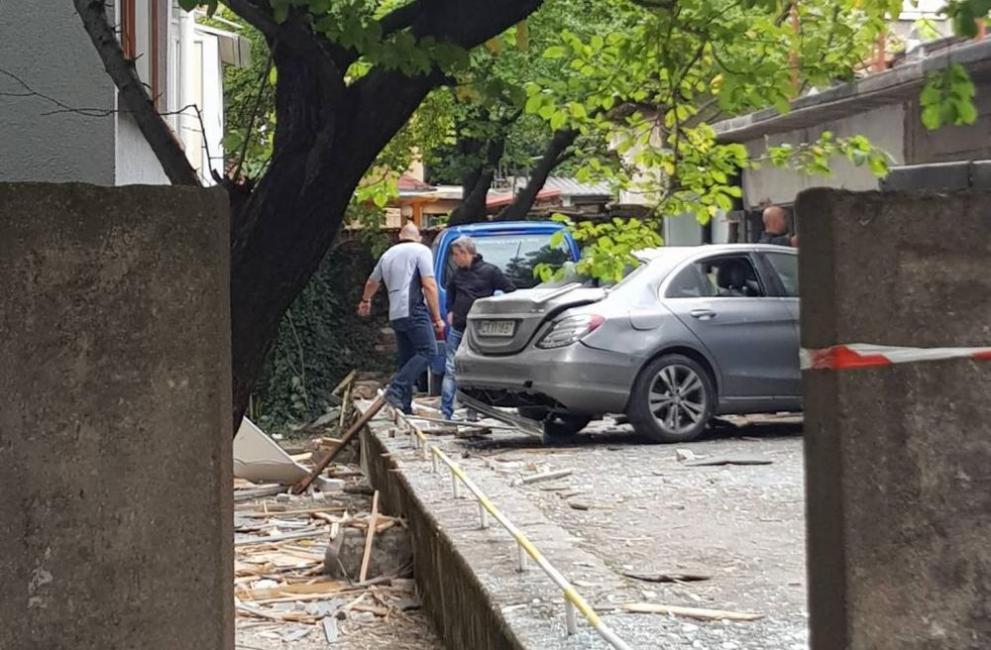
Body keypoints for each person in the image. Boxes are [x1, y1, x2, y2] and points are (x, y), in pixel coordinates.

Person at [357, 222, 445, 414]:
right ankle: (395, 389)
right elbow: (429, 285)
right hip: (414, 309)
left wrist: (365, 300)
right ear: (419, 237)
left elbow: (372, 281)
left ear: (399, 237)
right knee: (429, 351)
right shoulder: (421, 251)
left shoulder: (387, 255)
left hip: (396, 313)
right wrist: (437, 317)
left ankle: (404, 407)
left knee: (406, 360)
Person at [442, 236, 515, 420]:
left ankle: (474, 410)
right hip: (458, 326)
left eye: (456, 255)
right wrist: (450, 310)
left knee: (475, 370)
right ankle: (446, 412)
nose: (454, 259)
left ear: (466, 253)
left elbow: (510, 290)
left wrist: (497, 311)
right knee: (451, 368)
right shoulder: (457, 274)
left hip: (479, 329)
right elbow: (450, 292)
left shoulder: (490, 271)